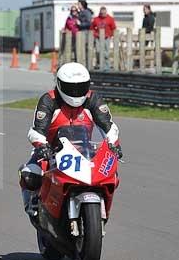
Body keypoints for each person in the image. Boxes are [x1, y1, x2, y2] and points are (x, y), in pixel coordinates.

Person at [18, 62, 122, 217]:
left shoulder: (93, 99)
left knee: (112, 175)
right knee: (29, 175)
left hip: (86, 151)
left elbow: (109, 126)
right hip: (51, 150)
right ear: (59, 84)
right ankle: (33, 202)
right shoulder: (49, 100)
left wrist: (113, 144)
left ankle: (101, 212)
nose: (75, 92)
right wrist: (42, 146)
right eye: (70, 87)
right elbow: (36, 131)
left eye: (80, 87)